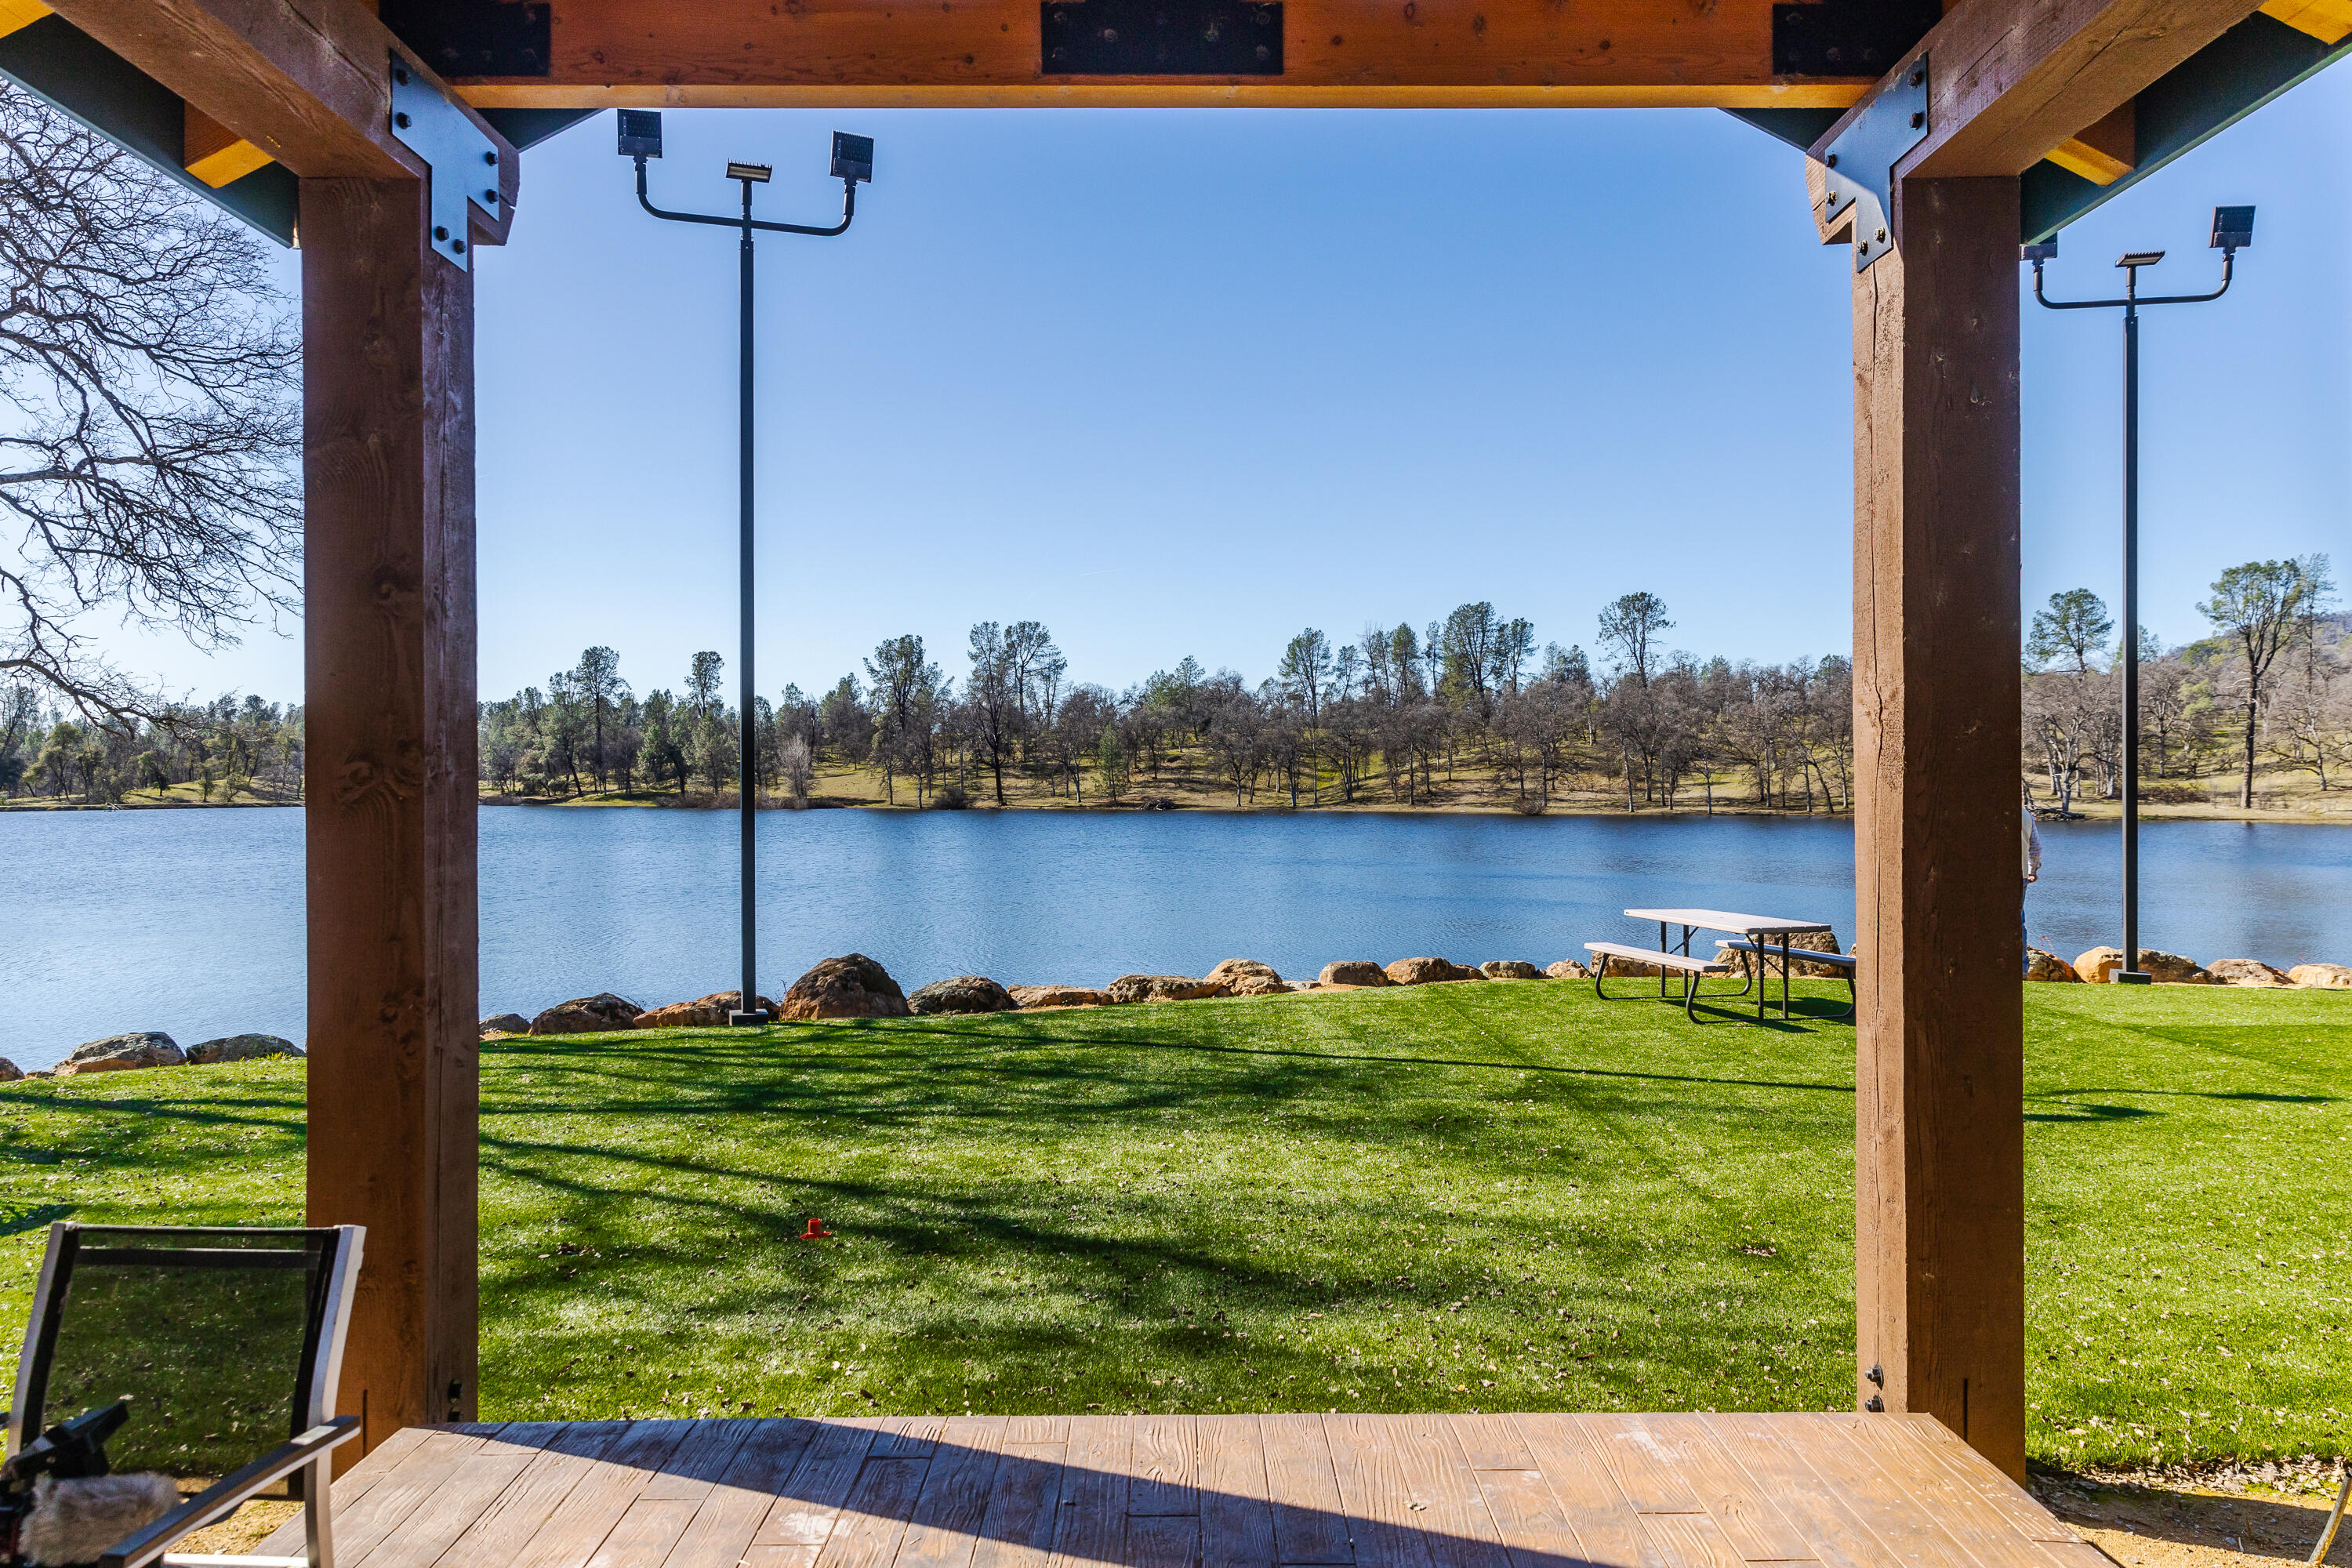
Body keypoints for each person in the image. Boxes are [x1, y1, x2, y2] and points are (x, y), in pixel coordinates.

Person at [2021, 786, 2043, 975]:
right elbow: (2035, 847)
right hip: (2020, 876)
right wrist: (2032, 870)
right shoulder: (2026, 814)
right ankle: (2022, 968)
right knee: (2018, 920)